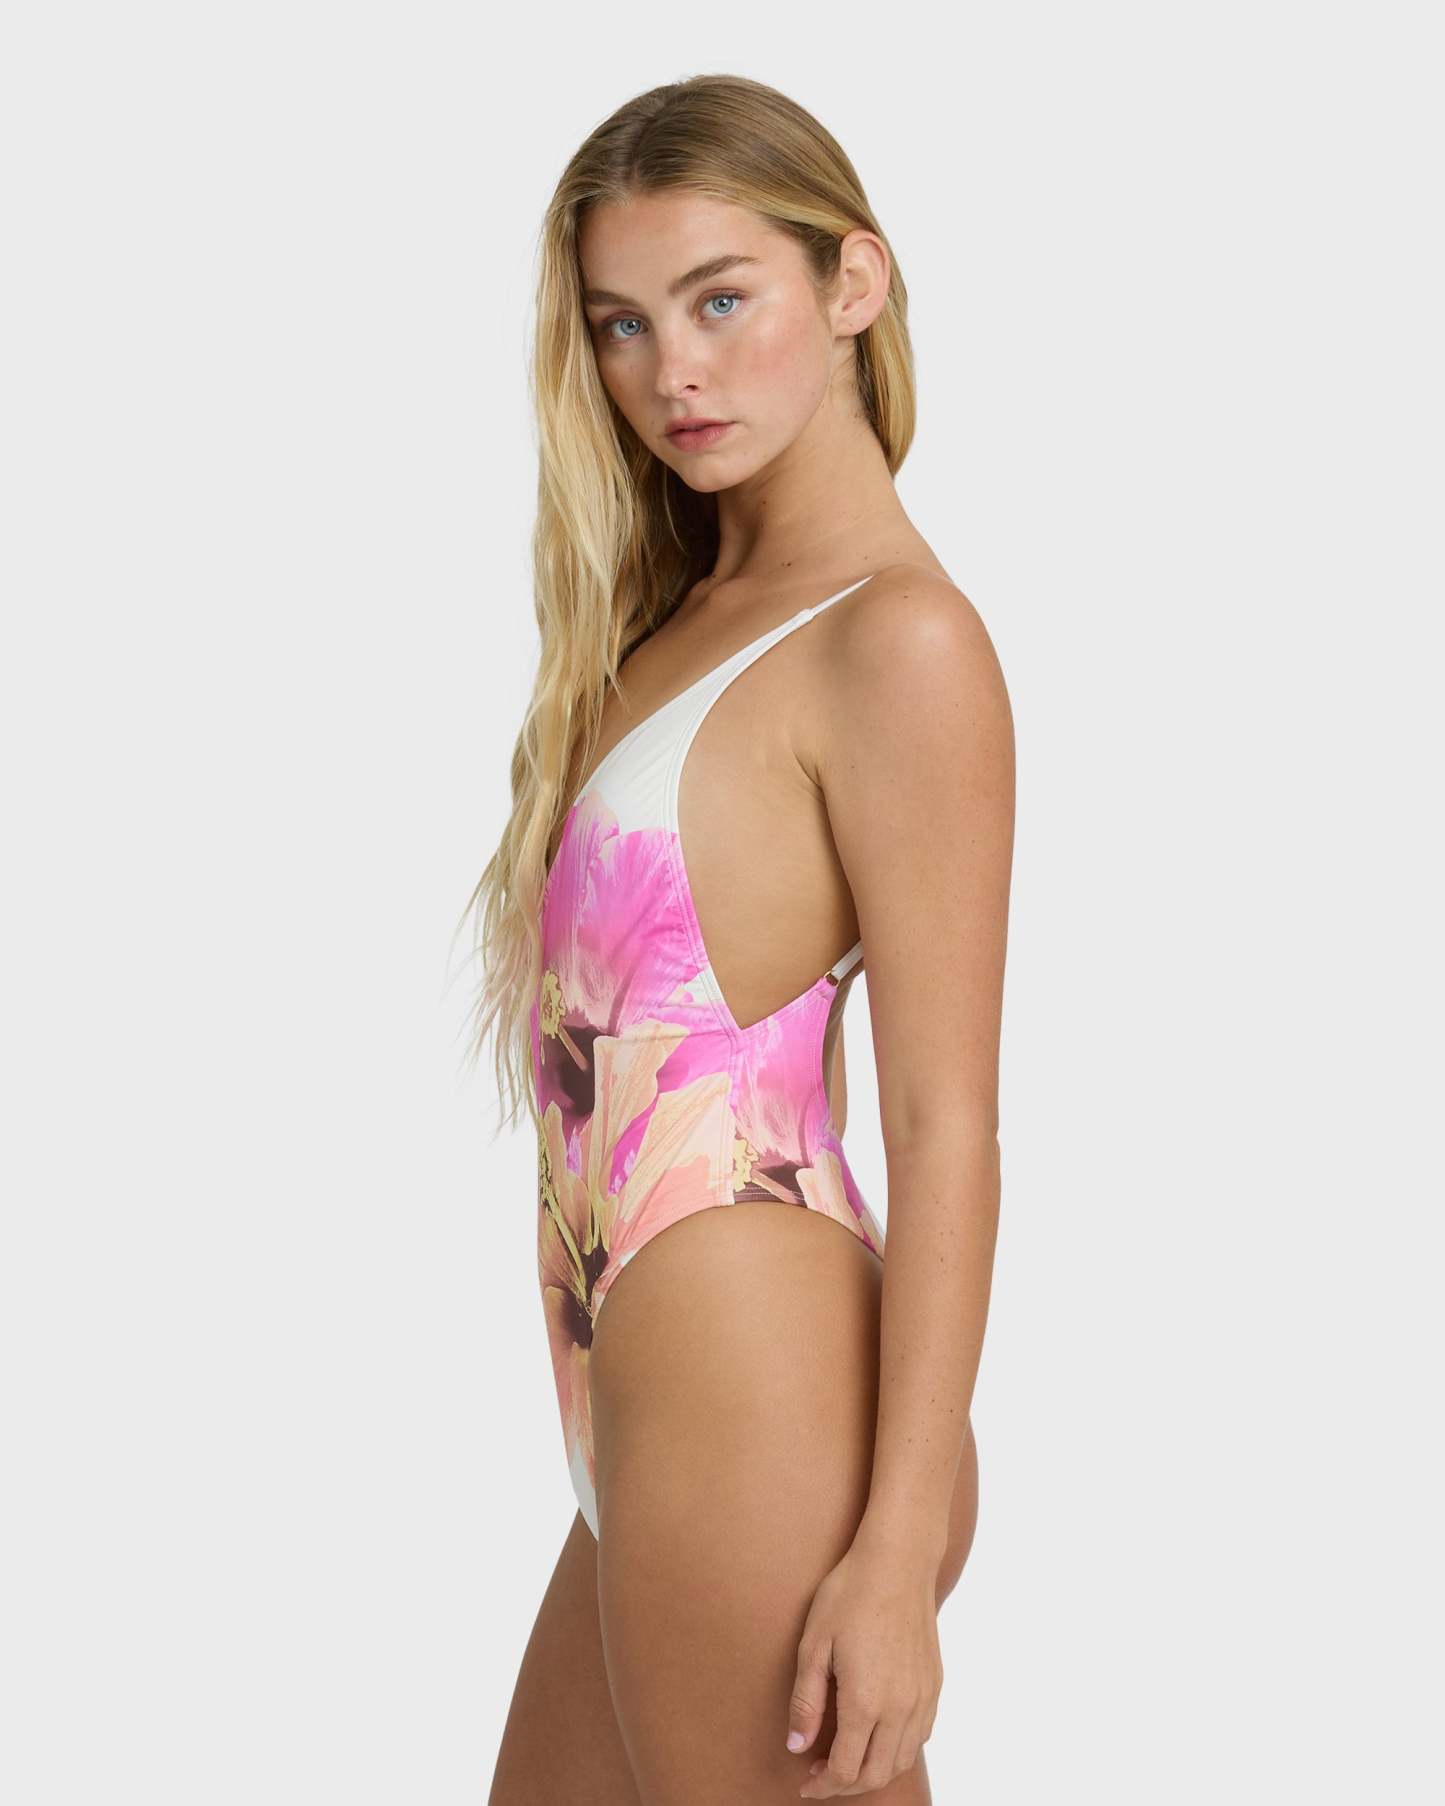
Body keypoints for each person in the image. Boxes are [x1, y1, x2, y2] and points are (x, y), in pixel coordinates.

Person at [463, 73, 1014, 1805]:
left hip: (763, 1375)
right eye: (621, 323)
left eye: (719, 300)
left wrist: (895, 1549)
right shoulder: (671, 623)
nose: (670, 375)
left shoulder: (898, 641)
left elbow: (943, 1120)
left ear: (852, 281)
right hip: (641, 1394)